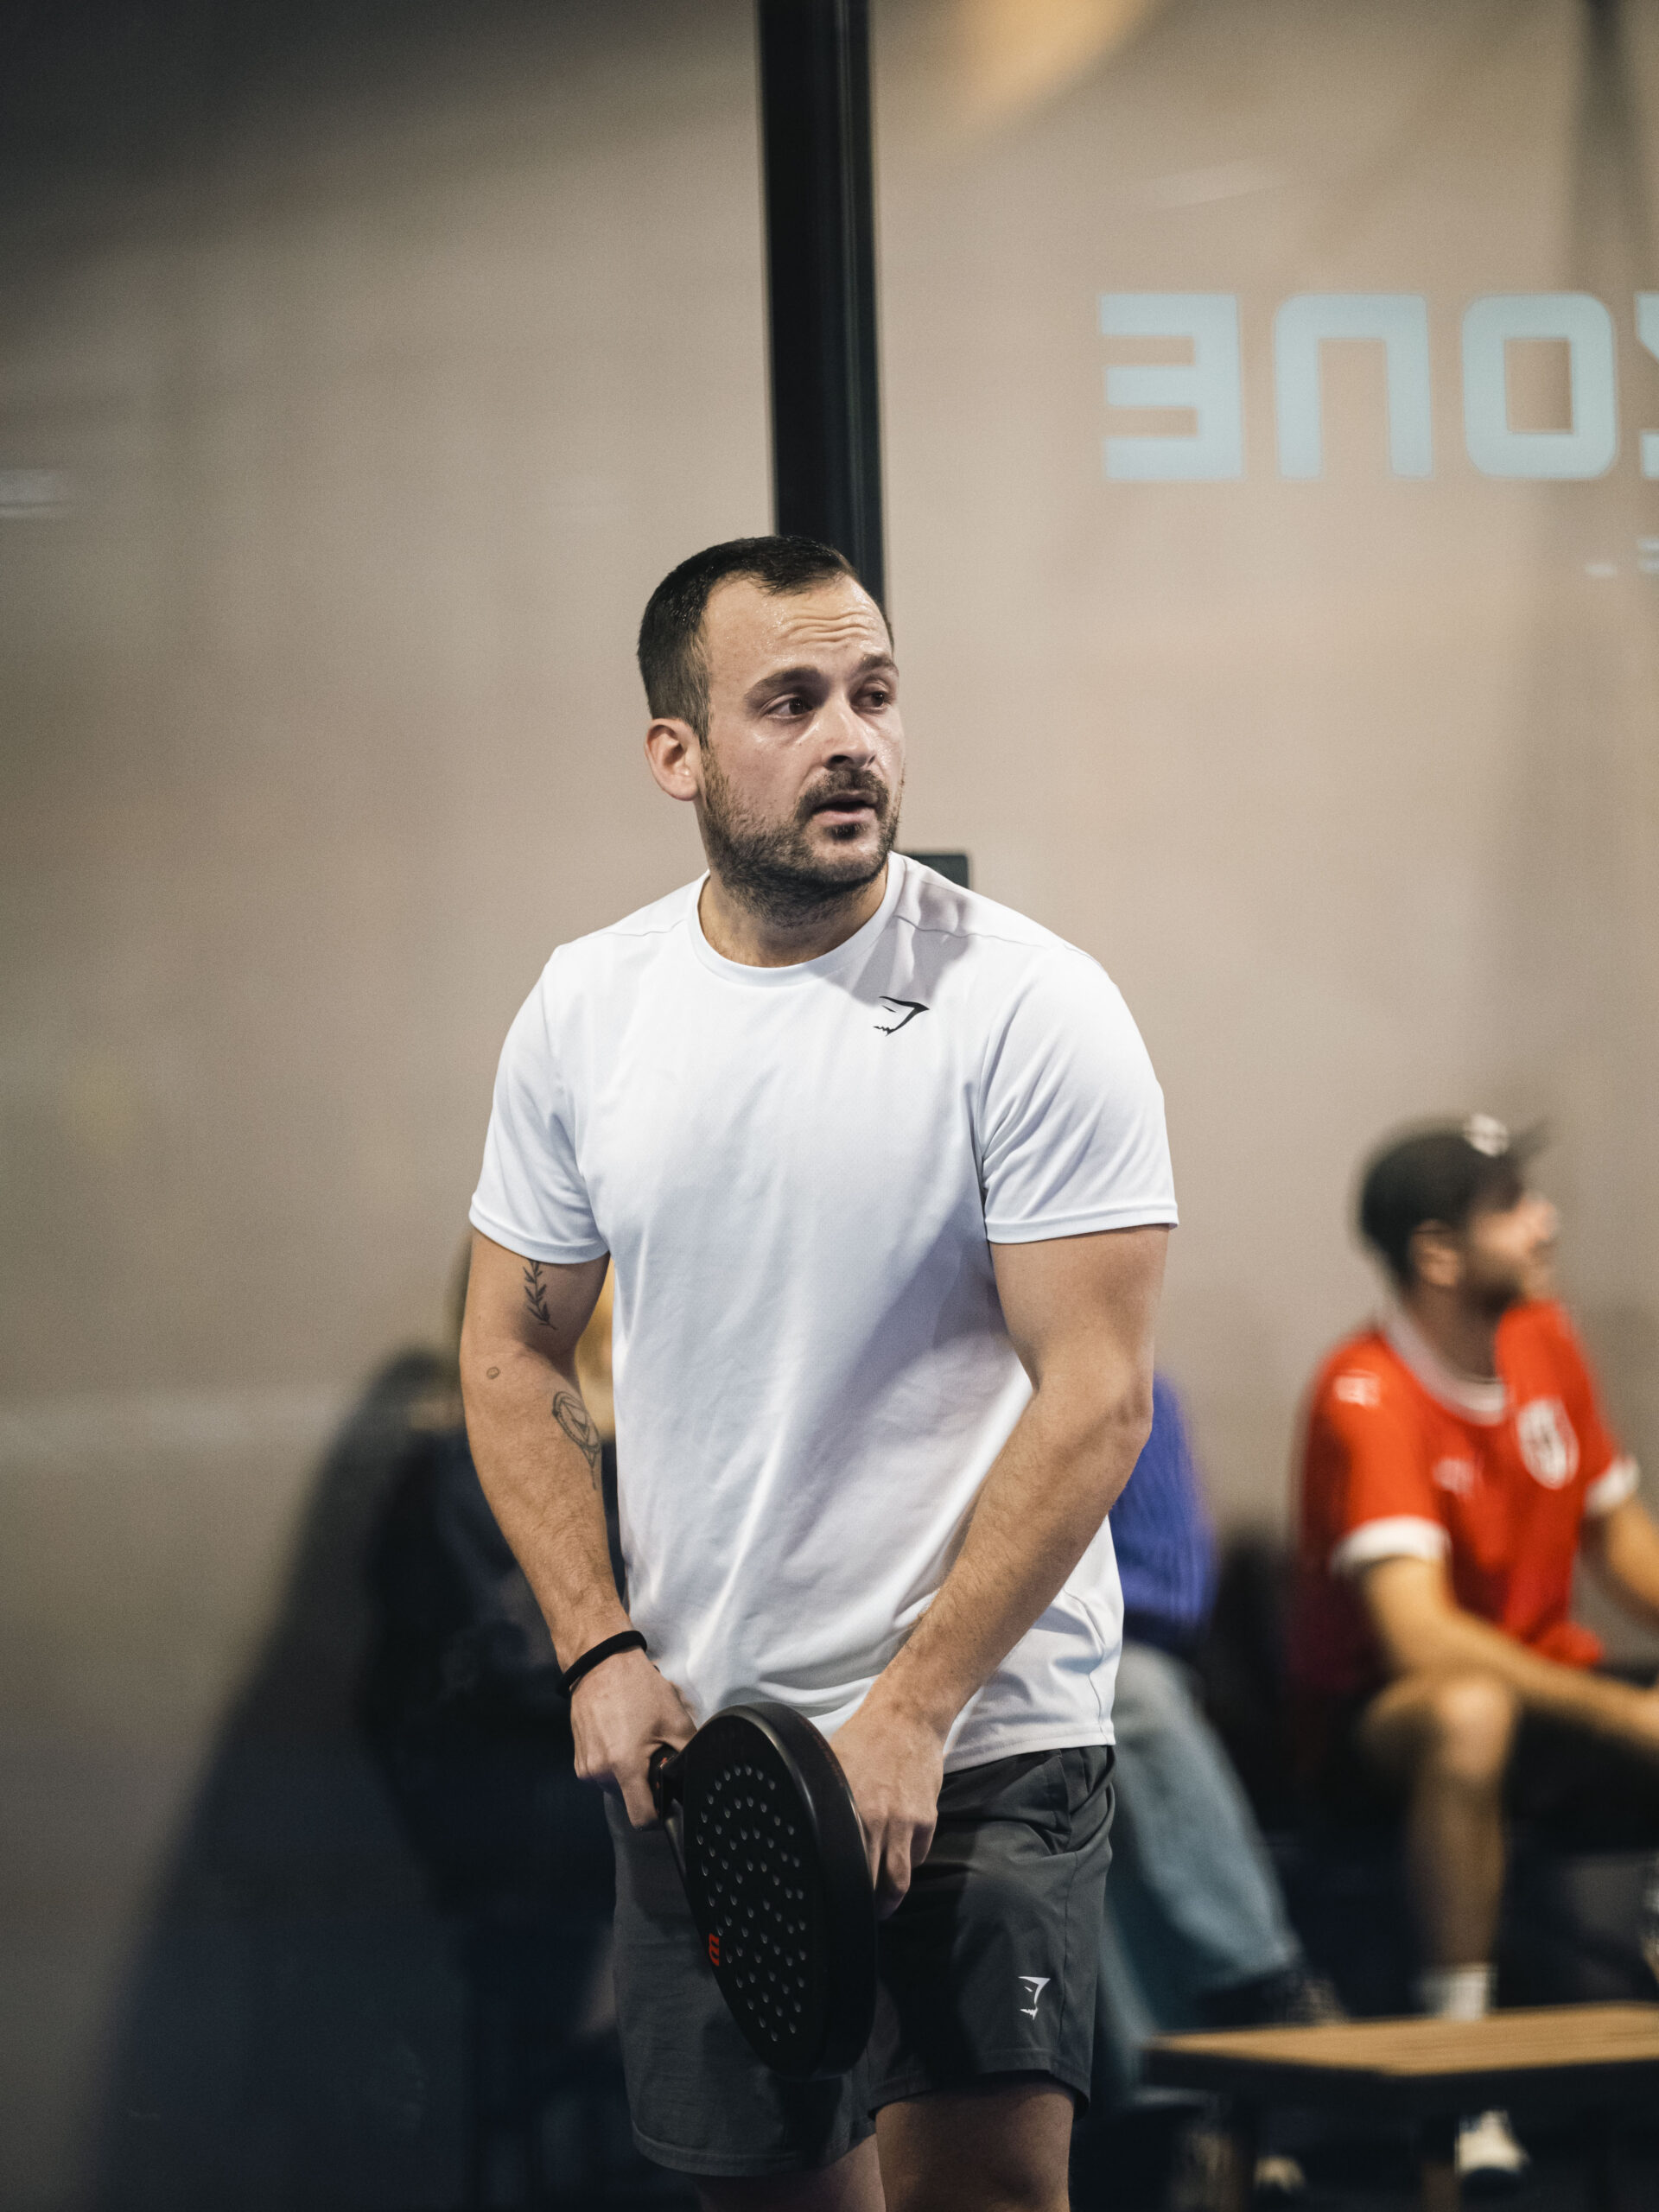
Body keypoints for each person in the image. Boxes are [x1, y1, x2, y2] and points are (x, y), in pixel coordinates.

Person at [459, 535, 1177, 2211]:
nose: (851, 737)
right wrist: (599, 1650)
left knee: (984, 2191)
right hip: (710, 1740)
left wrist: (916, 1713)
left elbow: (1101, 1397)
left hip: (985, 1727)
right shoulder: (588, 1009)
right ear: (678, 751)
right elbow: (508, 1344)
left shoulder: (1031, 1004)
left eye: (875, 692)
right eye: (790, 702)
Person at [1290, 1116, 1659, 2190]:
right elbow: (1421, 1638)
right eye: (1511, 1207)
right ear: (1438, 1253)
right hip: (1383, 1724)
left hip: (1542, 1687)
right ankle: (1468, 2080)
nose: (1545, 1222)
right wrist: (1628, 1716)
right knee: (1468, 1710)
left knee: (1505, 1703)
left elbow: (1618, 1537)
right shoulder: (1366, 1391)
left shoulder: (1546, 1337)